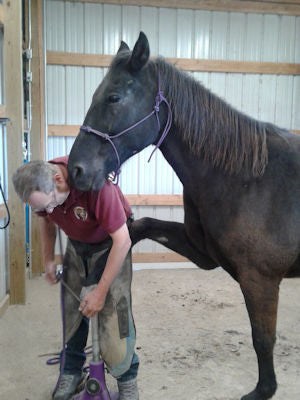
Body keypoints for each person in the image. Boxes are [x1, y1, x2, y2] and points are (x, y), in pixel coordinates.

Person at [13, 156, 139, 400]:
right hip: (77, 244)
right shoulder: (42, 185)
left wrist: (100, 292)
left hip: (111, 245)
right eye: (42, 207)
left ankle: (127, 379)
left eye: (50, 204)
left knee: (115, 315)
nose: (49, 211)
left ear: (58, 179)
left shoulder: (96, 185)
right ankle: (72, 372)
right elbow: (48, 220)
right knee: (73, 311)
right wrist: (48, 258)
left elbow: (122, 241)